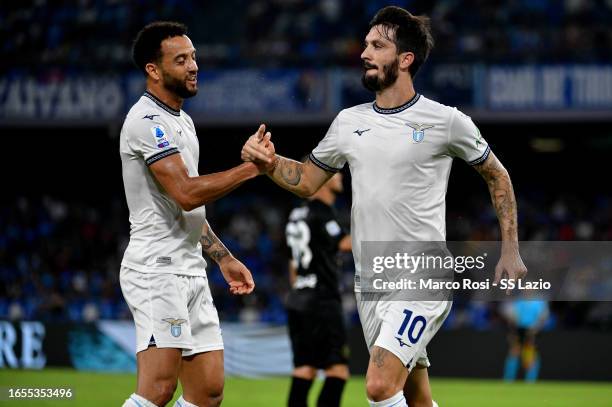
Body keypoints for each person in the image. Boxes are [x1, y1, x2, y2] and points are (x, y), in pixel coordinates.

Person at [242, 6, 527, 407]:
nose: (364, 53)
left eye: (377, 45)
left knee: (378, 385)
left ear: (405, 59)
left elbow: (497, 174)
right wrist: (268, 163)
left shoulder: (445, 121)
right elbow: (307, 181)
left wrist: (510, 248)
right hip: (371, 281)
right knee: (415, 396)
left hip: (422, 274)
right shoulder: (347, 122)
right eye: (365, 44)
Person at [119, 22, 273, 407]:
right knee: (158, 389)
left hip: (189, 269)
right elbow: (186, 193)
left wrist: (223, 257)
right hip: (156, 269)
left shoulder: (183, 123)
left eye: (194, 57)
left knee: (208, 391)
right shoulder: (146, 122)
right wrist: (251, 168)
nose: (193, 66)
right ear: (154, 70)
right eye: (181, 59)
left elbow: (185, 209)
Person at [285, 172, 352, 407]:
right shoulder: (322, 212)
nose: (340, 175)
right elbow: (344, 243)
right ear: (320, 178)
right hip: (322, 299)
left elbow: (293, 263)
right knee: (338, 369)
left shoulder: (296, 214)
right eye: (333, 172)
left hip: (298, 297)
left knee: (304, 368)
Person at [502, 299, 549, 382]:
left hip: (532, 330)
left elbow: (543, 317)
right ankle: (508, 379)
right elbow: (512, 317)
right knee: (514, 352)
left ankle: (530, 380)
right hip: (519, 330)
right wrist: (513, 330)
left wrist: (536, 327)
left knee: (530, 355)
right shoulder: (518, 302)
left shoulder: (539, 303)